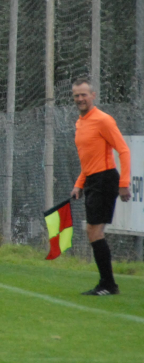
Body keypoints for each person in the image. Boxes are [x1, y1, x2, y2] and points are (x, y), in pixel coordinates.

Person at [69, 78, 131, 296]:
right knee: (92, 230)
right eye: (76, 95)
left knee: (94, 230)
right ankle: (107, 283)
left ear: (93, 96)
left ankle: (108, 284)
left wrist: (124, 183)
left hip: (105, 179)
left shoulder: (103, 120)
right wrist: (79, 184)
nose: (80, 99)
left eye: (84, 95)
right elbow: (88, 160)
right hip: (93, 180)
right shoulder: (80, 123)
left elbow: (123, 150)